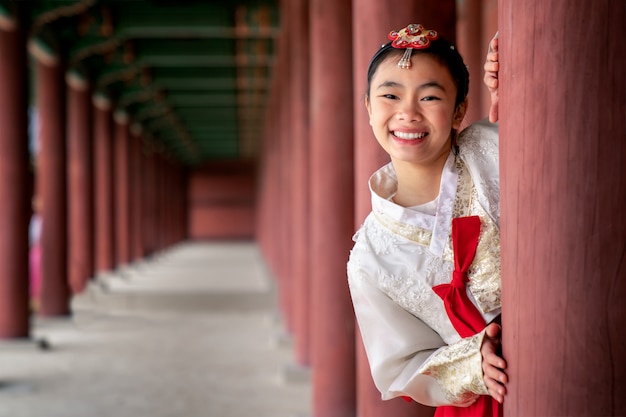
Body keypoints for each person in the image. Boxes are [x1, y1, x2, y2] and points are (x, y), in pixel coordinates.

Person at [347, 24, 506, 417]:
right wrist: (471, 364)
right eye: (390, 95)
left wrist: (516, 85)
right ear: (368, 107)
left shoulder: (491, 150)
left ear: (459, 110)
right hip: (489, 393)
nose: (408, 113)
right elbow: (400, 366)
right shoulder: (369, 259)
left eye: (430, 96)